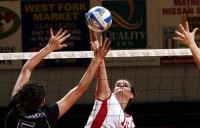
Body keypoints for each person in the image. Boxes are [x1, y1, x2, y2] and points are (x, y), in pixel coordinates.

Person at [5, 27, 111, 128]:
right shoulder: (45, 118)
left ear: (20, 95)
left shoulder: (14, 108)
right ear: (43, 102)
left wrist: (49, 47)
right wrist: (97, 60)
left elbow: (26, 69)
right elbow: (79, 89)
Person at [84, 30, 136, 128]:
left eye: (125, 85)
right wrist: (92, 32)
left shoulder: (129, 121)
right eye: (117, 85)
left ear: (131, 95)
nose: (121, 85)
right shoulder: (108, 98)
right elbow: (99, 61)